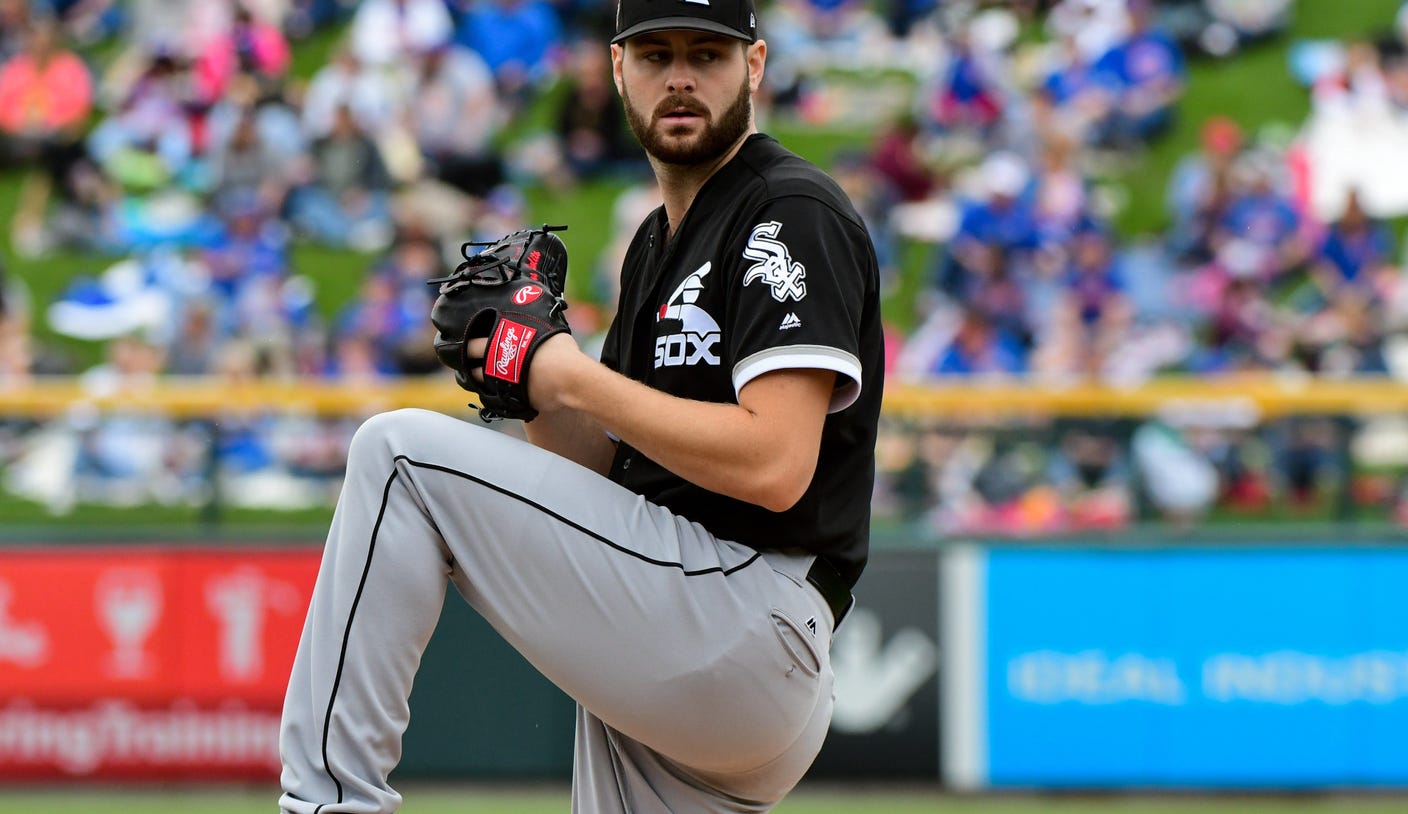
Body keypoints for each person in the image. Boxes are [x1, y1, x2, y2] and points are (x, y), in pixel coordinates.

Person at [276, 0, 884, 812]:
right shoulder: (652, 246)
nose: (679, 77)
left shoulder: (787, 211)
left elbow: (775, 464)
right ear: (617, 69)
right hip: (682, 629)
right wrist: (525, 386)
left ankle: (326, 803)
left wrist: (565, 373)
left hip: (749, 610)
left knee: (400, 457)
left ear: (756, 65)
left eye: (707, 54)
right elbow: (608, 480)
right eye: (656, 52)